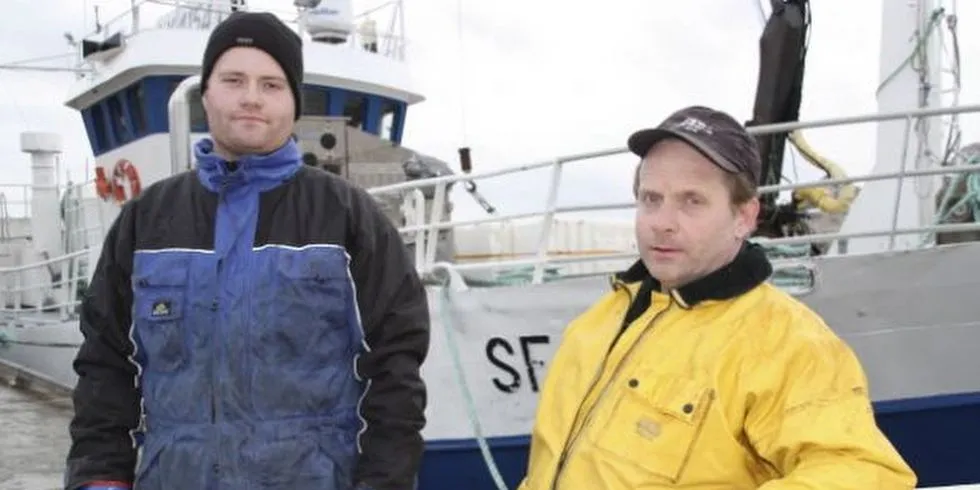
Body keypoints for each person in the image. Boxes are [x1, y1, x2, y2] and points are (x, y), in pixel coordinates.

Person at [64, 11, 429, 490]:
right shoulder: (146, 220)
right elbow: (106, 365)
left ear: (294, 102)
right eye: (233, 79)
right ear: (206, 92)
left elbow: (395, 368)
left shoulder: (346, 216)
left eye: (272, 84)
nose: (252, 97)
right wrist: (100, 479)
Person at [517, 106, 918, 489]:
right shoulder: (600, 321)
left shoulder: (784, 343)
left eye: (692, 201)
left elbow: (864, 474)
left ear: (743, 216)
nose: (662, 224)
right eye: (651, 199)